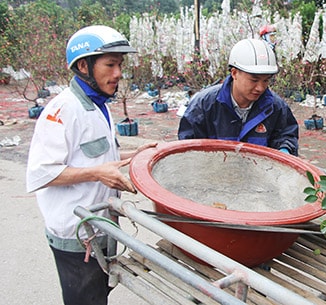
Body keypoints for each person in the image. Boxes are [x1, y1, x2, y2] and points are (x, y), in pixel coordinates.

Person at [26, 25, 157, 305]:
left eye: (119, 65)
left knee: (98, 294)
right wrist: (98, 173)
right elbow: (42, 172)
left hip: (100, 226)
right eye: (110, 65)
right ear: (84, 66)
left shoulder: (99, 105)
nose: (118, 73)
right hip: (76, 234)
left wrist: (134, 155)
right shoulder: (61, 111)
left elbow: (97, 157)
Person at [178, 38, 299, 155]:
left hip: (258, 173)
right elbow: (188, 145)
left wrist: (285, 149)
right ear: (234, 73)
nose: (260, 88)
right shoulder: (204, 105)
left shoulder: (275, 107)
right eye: (254, 80)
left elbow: (286, 135)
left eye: (266, 81)